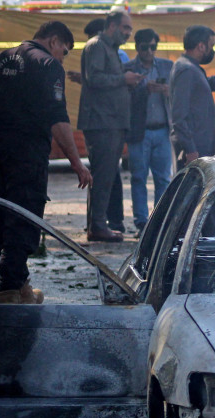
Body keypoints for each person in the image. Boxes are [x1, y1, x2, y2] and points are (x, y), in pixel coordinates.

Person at [0, 21, 93, 304]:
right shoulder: (48, 65)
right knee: (24, 217)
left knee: (4, 218)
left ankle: (21, 286)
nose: (62, 58)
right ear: (54, 41)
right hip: (26, 154)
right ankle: (8, 287)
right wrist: (77, 163)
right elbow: (58, 118)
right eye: (64, 51)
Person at [78, 9, 139, 243]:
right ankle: (97, 226)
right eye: (125, 28)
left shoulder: (110, 49)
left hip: (111, 122)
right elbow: (94, 79)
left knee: (105, 177)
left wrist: (126, 81)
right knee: (102, 176)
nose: (128, 33)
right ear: (112, 26)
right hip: (102, 123)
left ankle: (97, 224)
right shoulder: (96, 46)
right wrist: (123, 79)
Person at [125, 28, 172, 235]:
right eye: (145, 47)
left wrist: (168, 90)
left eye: (153, 47)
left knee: (163, 179)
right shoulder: (127, 68)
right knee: (139, 178)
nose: (149, 51)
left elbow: (180, 92)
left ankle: (160, 221)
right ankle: (142, 223)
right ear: (137, 47)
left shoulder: (167, 66)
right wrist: (144, 90)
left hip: (162, 130)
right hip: (139, 132)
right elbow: (122, 98)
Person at [170, 25, 215, 166]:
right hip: (194, 152)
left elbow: (202, 86)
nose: (212, 50)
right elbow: (179, 116)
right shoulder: (186, 70)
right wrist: (190, 150)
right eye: (211, 45)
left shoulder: (191, 68)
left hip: (198, 149)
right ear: (201, 46)